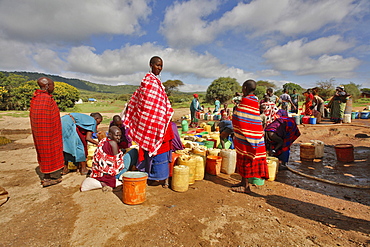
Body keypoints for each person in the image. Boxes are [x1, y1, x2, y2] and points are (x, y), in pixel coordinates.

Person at [123, 56, 174, 188]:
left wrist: (162, 115)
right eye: (157, 65)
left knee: (163, 151)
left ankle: (164, 178)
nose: (159, 68)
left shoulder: (158, 82)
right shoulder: (148, 81)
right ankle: (151, 176)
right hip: (149, 124)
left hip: (161, 124)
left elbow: (160, 103)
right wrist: (151, 117)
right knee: (151, 152)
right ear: (151, 65)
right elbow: (144, 103)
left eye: (161, 65)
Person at [231, 79, 269, 194]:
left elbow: (241, 117)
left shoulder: (247, 101)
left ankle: (246, 186)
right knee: (243, 159)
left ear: (245, 89)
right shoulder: (255, 100)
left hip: (248, 137)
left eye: (243, 87)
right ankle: (243, 182)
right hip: (252, 135)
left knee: (246, 160)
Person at [29, 77, 64, 187]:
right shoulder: (45, 99)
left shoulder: (36, 98)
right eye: (53, 85)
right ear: (47, 86)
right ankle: (47, 178)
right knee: (47, 152)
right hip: (46, 133)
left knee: (44, 152)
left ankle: (48, 175)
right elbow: (44, 120)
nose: (53, 88)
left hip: (41, 133)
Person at [80, 126, 127, 192]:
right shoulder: (113, 143)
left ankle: (103, 182)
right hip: (110, 174)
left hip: (98, 172)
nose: (118, 138)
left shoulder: (103, 140)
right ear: (110, 134)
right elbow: (118, 162)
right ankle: (114, 180)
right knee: (131, 154)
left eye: (119, 136)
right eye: (116, 135)